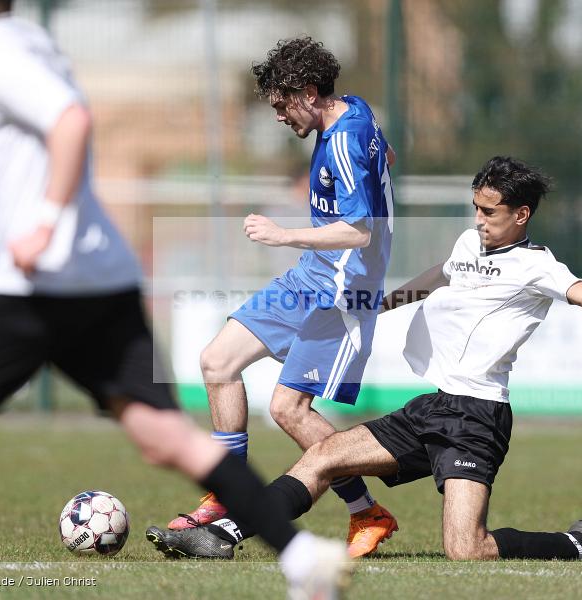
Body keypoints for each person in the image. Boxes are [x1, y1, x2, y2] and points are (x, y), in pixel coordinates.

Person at [0, 2, 351, 599]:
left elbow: (71, 123)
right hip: (102, 277)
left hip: (38, 284)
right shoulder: (27, 43)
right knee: (167, 438)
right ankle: (302, 557)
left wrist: (46, 222)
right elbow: (26, 161)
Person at [147, 156, 582, 562]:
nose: (480, 219)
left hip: (478, 421)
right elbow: (437, 277)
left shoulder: (539, 266)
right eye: (476, 208)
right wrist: (378, 306)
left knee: (468, 551)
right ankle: (223, 537)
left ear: (523, 214)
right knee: (320, 458)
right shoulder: (468, 244)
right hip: (430, 409)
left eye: (491, 211)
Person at [161, 37, 398, 558]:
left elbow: (358, 230)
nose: (276, 115)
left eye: (280, 103)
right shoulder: (356, 110)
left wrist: (282, 234)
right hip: (309, 277)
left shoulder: (342, 139)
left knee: (288, 409)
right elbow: (385, 157)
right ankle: (226, 493)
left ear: (309, 93)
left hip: (340, 292)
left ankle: (367, 511)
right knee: (217, 360)